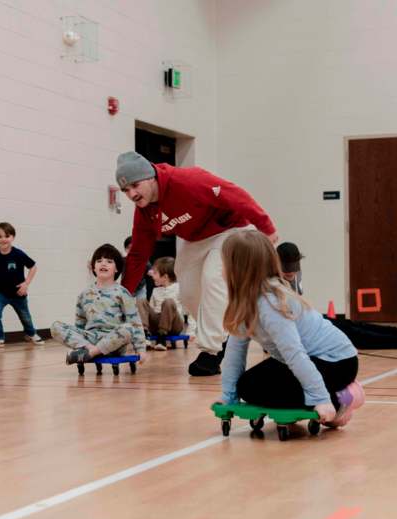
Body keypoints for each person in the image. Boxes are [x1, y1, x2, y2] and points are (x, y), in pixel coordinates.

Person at [116, 151, 278, 376]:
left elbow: (235, 194)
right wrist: (123, 294)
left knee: (214, 276)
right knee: (189, 293)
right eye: (125, 190)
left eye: (135, 185)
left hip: (231, 230)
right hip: (195, 239)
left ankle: (212, 352)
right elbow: (137, 255)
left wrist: (267, 228)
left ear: (151, 176)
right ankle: (227, 330)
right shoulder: (144, 212)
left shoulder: (187, 181)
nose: (131, 194)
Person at [217, 231, 364, 427]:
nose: (221, 269)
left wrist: (321, 399)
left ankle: (344, 398)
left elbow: (294, 352)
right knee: (247, 385)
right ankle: (324, 392)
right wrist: (229, 397)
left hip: (337, 362)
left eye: (224, 263)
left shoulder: (270, 303)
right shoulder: (244, 301)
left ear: (238, 269)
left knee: (259, 391)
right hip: (300, 360)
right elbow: (235, 352)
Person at [277, 242, 397, 349]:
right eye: (287, 269)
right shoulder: (273, 282)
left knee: (354, 325)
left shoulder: (296, 274)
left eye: (293, 267)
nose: (290, 272)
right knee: (353, 334)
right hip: (298, 330)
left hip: (308, 319)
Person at [52, 244, 147, 365]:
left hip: (114, 343)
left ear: (116, 269)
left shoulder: (122, 292)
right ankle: (90, 350)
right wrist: (80, 342)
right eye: (99, 261)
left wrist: (141, 349)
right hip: (90, 339)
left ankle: (90, 353)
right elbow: (80, 324)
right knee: (56, 326)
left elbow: (135, 322)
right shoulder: (84, 294)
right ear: (93, 268)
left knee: (128, 328)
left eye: (109, 261)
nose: (103, 264)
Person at [136, 257, 196, 350]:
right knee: (141, 300)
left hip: (175, 325)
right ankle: (145, 334)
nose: (152, 275)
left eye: (155, 273)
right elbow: (150, 312)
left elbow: (190, 311)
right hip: (157, 324)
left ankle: (162, 337)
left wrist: (191, 331)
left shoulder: (179, 289)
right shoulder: (155, 291)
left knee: (168, 302)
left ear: (165, 277)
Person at [123, 236, 149, 301]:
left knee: (141, 303)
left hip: (140, 287)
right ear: (125, 249)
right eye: (129, 248)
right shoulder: (123, 261)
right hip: (127, 287)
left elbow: (149, 269)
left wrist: (151, 272)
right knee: (126, 304)